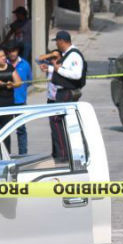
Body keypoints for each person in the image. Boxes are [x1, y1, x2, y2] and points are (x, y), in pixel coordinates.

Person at [38, 30, 86, 161]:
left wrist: (57, 69)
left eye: (57, 42)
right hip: (61, 92)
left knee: (57, 122)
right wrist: (50, 69)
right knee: (58, 123)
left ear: (61, 41)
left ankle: (62, 155)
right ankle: (60, 153)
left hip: (66, 92)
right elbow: (64, 70)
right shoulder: (67, 55)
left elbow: (76, 74)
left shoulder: (74, 55)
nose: (57, 45)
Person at [7, 43, 33, 154]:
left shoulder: (25, 64)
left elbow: (29, 81)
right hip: (6, 101)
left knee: (21, 129)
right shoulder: (4, 63)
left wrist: (20, 90)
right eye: (10, 51)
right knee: (4, 130)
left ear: (18, 51)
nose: (12, 53)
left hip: (20, 101)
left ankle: (23, 154)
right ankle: (5, 154)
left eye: (14, 50)